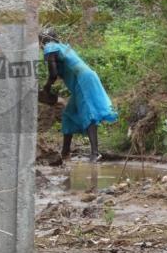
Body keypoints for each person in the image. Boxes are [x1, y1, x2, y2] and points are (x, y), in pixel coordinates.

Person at [39, 27, 118, 162]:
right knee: (68, 115)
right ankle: (65, 153)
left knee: (88, 112)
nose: (40, 45)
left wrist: (46, 88)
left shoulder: (50, 47)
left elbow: (53, 74)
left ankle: (95, 153)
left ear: (45, 40)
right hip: (84, 79)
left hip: (83, 80)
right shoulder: (63, 47)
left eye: (40, 41)